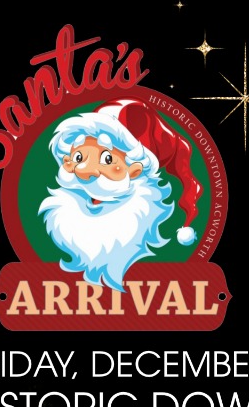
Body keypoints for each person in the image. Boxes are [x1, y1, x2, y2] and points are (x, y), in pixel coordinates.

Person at [39, 97, 202, 291]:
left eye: (107, 158)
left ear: (135, 170)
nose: (85, 171)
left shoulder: (165, 226)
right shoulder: (67, 212)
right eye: (79, 157)